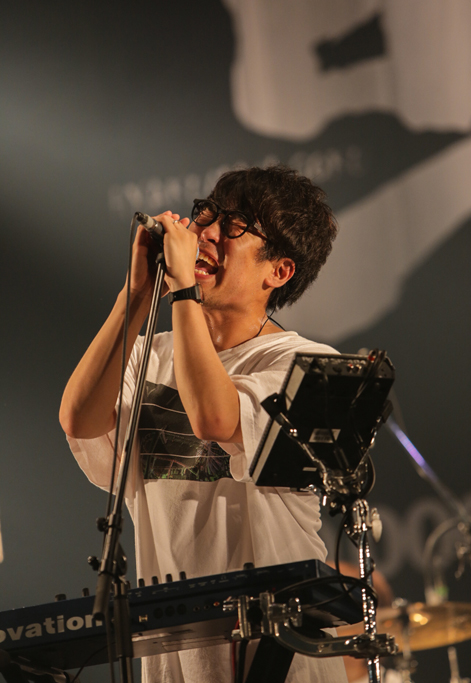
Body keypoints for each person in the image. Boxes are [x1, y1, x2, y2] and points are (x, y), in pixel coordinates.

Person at [60, 164, 347, 683]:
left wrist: (184, 291)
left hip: (275, 655)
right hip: (173, 655)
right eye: (208, 215)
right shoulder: (149, 353)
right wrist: (138, 292)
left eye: (235, 226)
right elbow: (78, 420)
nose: (208, 233)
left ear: (279, 271)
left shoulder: (304, 366)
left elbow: (215, 417)